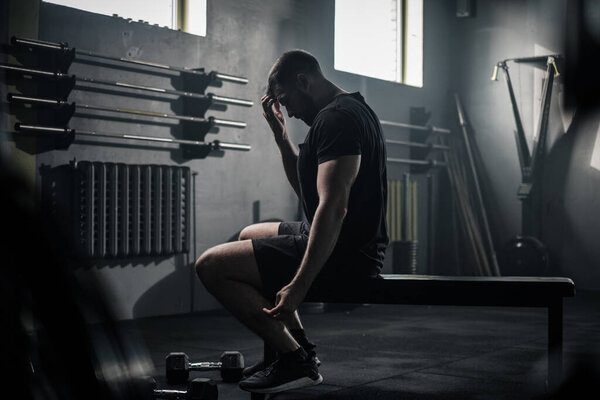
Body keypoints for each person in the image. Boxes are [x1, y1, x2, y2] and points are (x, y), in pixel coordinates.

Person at [195, 49, 388, 395]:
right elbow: (309, 195)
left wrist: (299, 286)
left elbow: (333, 208)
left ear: (304, 81)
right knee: (249, 235)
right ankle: (293, 347)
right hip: (345, 238)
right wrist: (281, 137)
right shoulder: (348, 110)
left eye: (288, 101)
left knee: (210, 266)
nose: (291, 111)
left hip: (346, 253)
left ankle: (294, 359)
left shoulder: (337, 120)